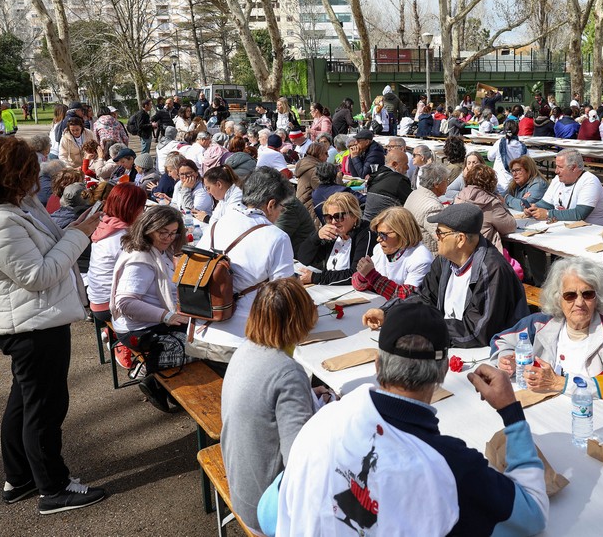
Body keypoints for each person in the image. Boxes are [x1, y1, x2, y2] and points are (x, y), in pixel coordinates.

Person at [263, 302, 548, 537]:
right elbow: (533, 513)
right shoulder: (451, 467)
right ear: (443, 372)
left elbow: (268, 515)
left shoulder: (324, 421)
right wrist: (511, 411)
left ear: (377, 365)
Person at [0, 137, 108, 513]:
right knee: (44, 408)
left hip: (29, 318)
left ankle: (20, 477)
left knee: (25, 401)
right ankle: (53, 488)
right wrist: (79, 235)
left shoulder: (12, 205)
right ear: (11, 176)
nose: (37, 179)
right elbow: (38, 275)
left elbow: (42, 250)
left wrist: (74, 228)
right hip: (30, 324)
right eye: (30, 172)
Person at [221, 279, 322, 535]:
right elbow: (298, 459)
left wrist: (308, 396)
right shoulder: (288, 372)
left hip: (242, 488)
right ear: (299, 320)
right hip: (267, 510)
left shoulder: (246, 349)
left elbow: (265, 403)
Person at [362, 203, 529, 348]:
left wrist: (422, 328)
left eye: (440, 233)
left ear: (460, 239)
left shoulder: (492, 270)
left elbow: (477, 332)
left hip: (488, 354)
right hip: (452, 343)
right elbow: (424, 297)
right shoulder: (445, 261)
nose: (436, 237)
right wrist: (388, 313)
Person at [491, 257, 603, 403]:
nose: (579, 302)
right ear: (558, 298)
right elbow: (501, 341)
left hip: (590, 410)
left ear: (597, 297)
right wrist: (506, 361)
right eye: (570, 295)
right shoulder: (539, 323)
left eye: (587, 294)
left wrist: (559, 383)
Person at [191, 168, 298, 363]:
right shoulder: (277, 237)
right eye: (281, 207)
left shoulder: (219, 223)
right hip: (240, 343)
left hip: (198, 333)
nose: (280, 213)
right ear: (271, 204)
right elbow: (284, 297)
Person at [111, 206, 191, 410]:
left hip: (144, 323)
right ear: (148, 228)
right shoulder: (141, 260)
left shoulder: (155, 250)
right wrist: (167, 316)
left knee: (197, 328)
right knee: (199, 343)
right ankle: (156, 381)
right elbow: (125, 302)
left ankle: (164, 382)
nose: (168, 238)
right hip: (137, 330)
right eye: (163, 232)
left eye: (173, 233)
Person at [86, 182, 148, 334]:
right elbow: (140, 269)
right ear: (132, 208)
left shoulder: (108, 224)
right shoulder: (121, 237)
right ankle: (123, 338)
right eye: (143, 207)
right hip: (109, 305)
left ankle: (114, 334)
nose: (144, 212)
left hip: (97, 298)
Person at [352, 206, 434, 299]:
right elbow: (358, 285)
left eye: (383, 235)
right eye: (378, 234)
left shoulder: (420, 258)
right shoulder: (379, 249)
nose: (378, 239)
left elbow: (407, 297)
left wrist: (371, 275)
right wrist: (363, 275)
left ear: (402, 233)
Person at [297, 192, 373, 286]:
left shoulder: (365, 234)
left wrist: (315, 278)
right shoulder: (332, 234)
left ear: (354, 216)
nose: (333, 222)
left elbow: (357, 274)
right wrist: (316, 237)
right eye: (329, 217)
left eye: (339, 216)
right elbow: (304, 259)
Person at [524, 148, 603, 225]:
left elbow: (579, 214)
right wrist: (533, 208)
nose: (556, 171)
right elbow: (546, 204)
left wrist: (548, 214)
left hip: (594, 232)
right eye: (556, 166)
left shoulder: (590, 181)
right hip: (568, 229)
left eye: (560, 167)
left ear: (574, 167)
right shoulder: (557, 179)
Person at [454, 164, 517, 251]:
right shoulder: (491, 203)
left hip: (461, 250)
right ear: (492, 183)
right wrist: (503, 205)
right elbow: (510, 226)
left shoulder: (459, 197)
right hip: (484, 252)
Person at [404, 163, 449, 254]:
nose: (448, 183)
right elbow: (442, 238)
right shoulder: (433, 207)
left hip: (411, 248)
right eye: (446, 180)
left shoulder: (415, 193)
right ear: (436, 184)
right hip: (430, 255)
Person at [488, 119, 528, 194]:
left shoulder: (500, 143)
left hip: (499, 184)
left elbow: (490, 157)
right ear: (517, 131)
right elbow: (527, 162)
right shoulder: (522, 146)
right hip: (516, 184)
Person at [294, 142, 328, 220]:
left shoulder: (305, 163)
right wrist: (337, 178)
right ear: (319, 154)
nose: (328, 156)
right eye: (326, 153)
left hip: (302, 205)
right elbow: (324, 190)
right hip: (311, 208)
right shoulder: (314, 170)